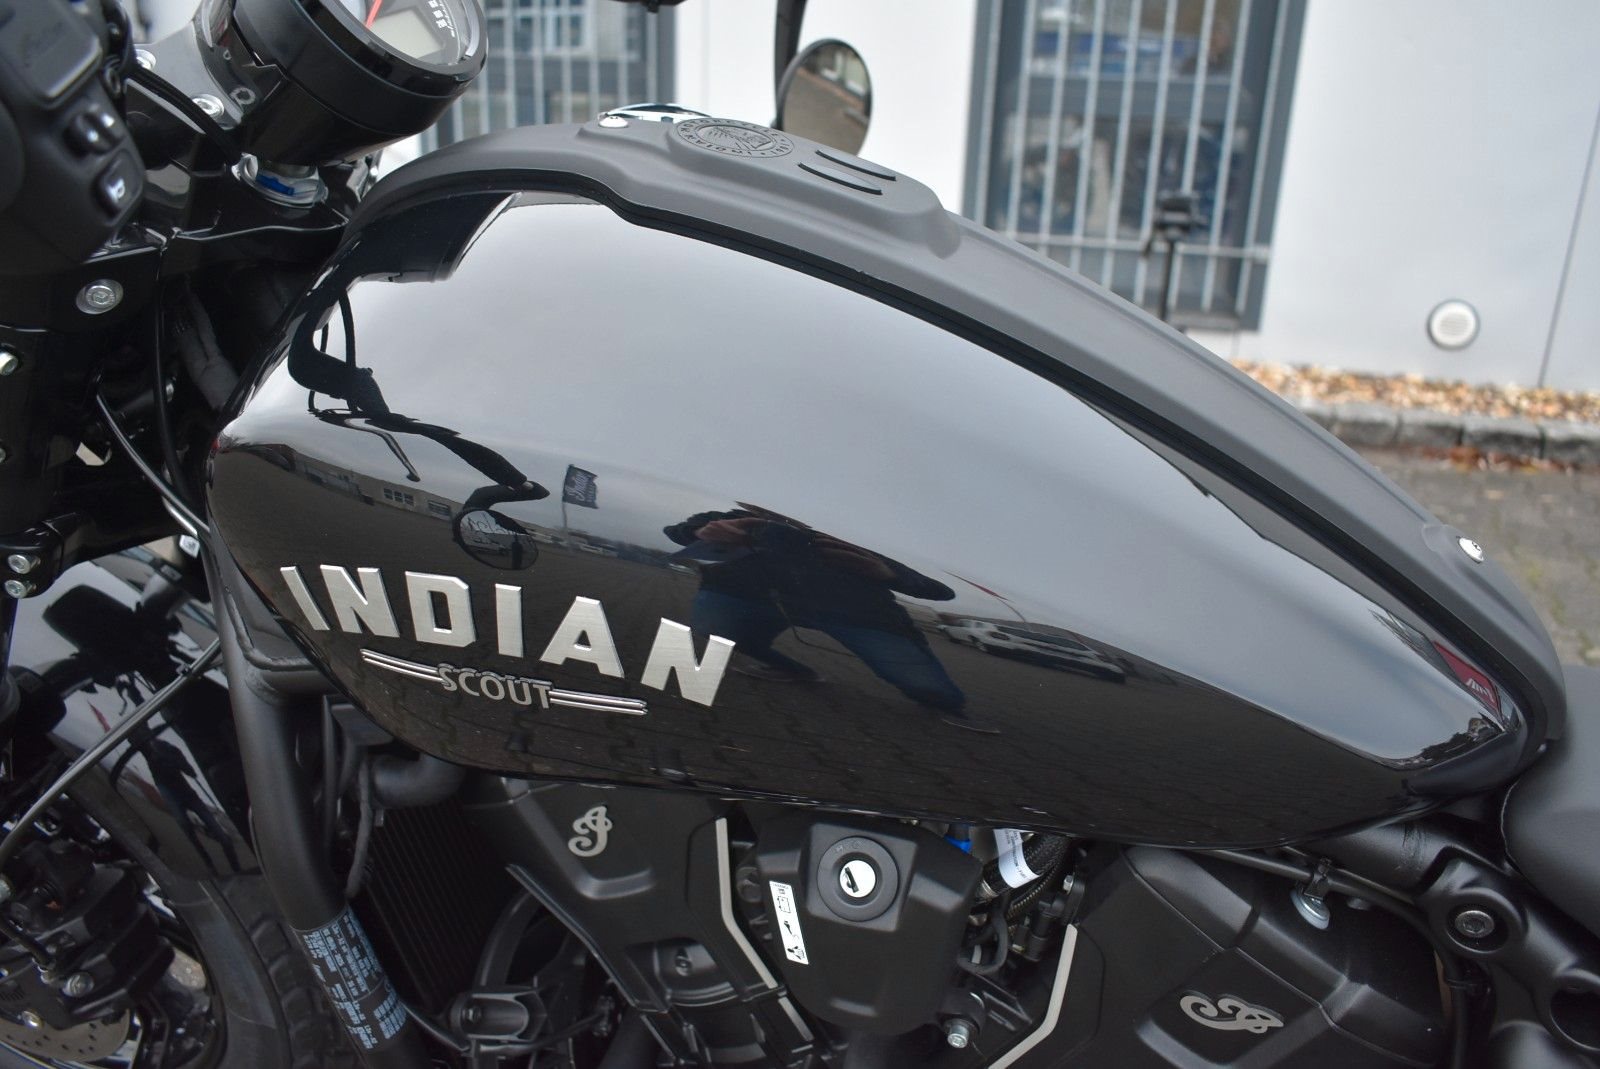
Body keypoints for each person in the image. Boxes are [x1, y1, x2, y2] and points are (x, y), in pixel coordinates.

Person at [665, 508, 993, 731]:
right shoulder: (733, 520)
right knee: (713, 627)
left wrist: (887, 572)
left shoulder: (855, 536)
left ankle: (947, 707)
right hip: (753, 598)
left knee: (922, 681)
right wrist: (701, 531)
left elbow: (940, 590)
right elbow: (675, 531)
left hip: (856, 613)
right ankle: (794, 670)